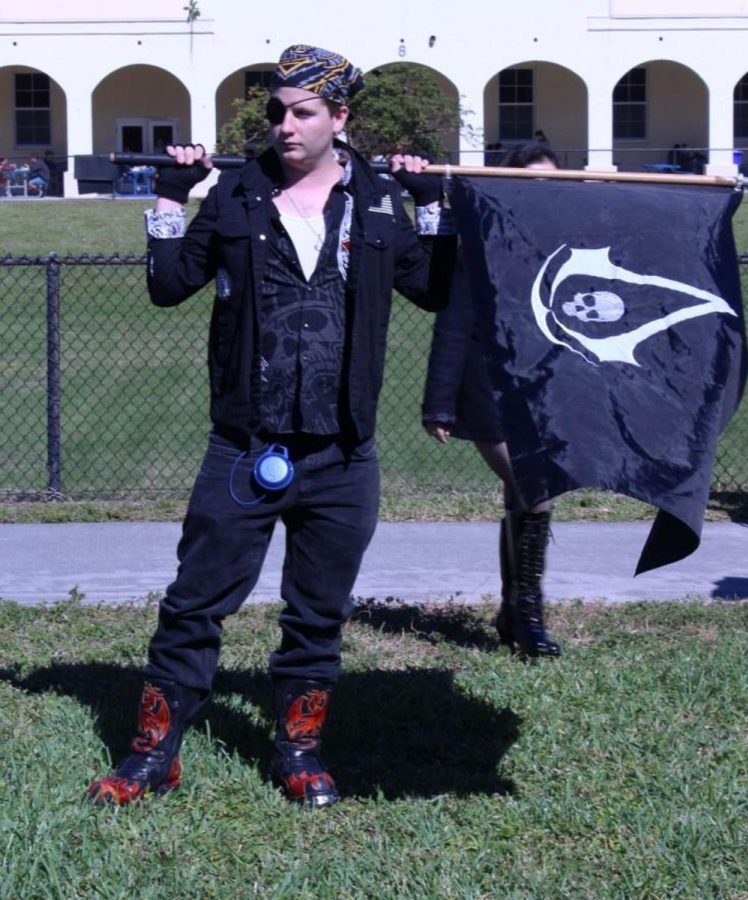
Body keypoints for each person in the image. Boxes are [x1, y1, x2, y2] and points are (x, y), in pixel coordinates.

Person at [87, 44, 456, 809]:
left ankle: (299, 751)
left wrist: (433, 201)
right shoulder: (236, 195)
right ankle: (154, 753)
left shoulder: (382, 199)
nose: (285, 127)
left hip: (343, 452)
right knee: (194, 604)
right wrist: (170, 197)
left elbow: (435, 289)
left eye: (303, 113)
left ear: (339, 118)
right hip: (244, 445)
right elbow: (167, 286)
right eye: (277, 113)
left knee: (318, 614)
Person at [421, 141, 561, 660]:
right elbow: (455, 323)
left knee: (520, 499)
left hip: (542, 389)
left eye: (553, 181)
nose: (542, 192)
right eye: (531, 181)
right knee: (535, 489)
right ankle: (528, 615)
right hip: (486, 389)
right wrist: (438, 402)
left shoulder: (563, 241)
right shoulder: (483, 241)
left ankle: (510, 610)